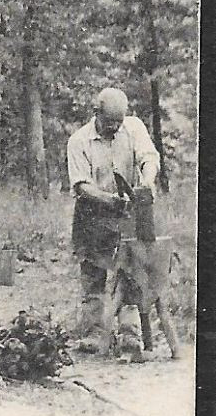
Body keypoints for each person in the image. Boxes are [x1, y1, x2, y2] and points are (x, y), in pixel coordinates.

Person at [65, 87, 160, 351]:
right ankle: (94, 335)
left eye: (119, 122)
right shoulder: (79, 141)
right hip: (92, 212)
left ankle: (130, 333)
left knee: (129, 271)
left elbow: (148, 157)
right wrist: (109, 200)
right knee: (93, 276)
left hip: (127, 212)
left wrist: (147, 180)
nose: (115, 128)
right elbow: (82, 186)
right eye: (109, 123)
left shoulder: (133, 128)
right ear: (96, 114)